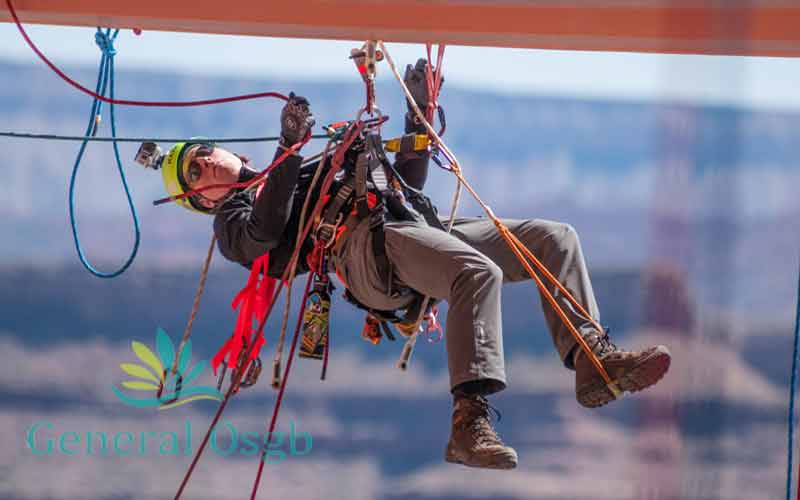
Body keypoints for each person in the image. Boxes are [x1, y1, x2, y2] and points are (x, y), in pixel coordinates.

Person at [145, 59, 671, 470]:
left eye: (204, 151)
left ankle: (593, 364)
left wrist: (416, 110)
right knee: (476, 273)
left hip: (411, 226)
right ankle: (470, 421)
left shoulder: (300, 168)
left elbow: (407, 183)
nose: (208, 161)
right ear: (203, 202)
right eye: (195, 172)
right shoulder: (232, 224)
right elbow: (264, 233)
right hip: (367, 256)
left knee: (554, 239)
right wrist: (289, 148)